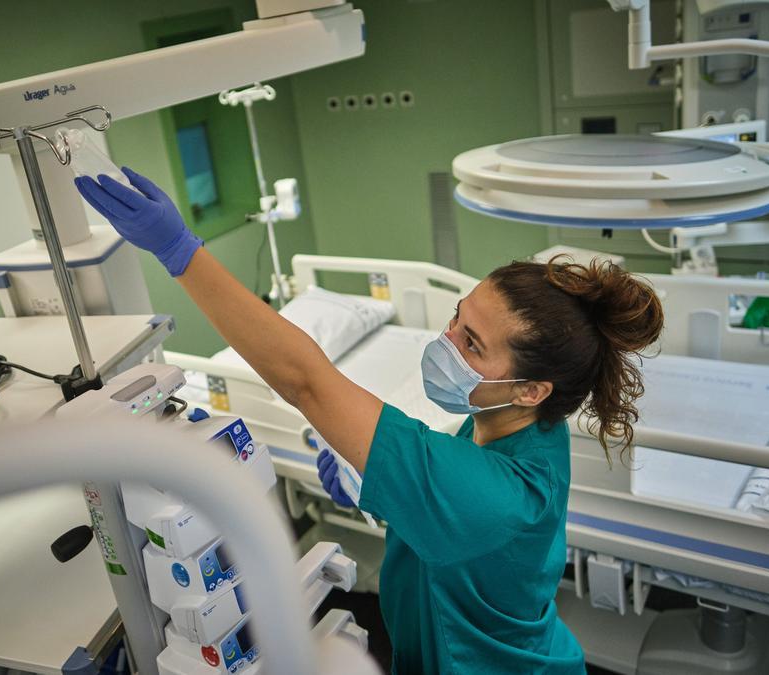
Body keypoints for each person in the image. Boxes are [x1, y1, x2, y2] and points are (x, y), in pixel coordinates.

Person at [76, 168, 664, 674]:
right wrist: (385, 499)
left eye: (473, 345)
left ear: (533, 388)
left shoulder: (495, 494)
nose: (446, 343)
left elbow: (306, 381)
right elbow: (457, 523)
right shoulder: (524, 429)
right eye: (457, 320)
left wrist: (180, 251)